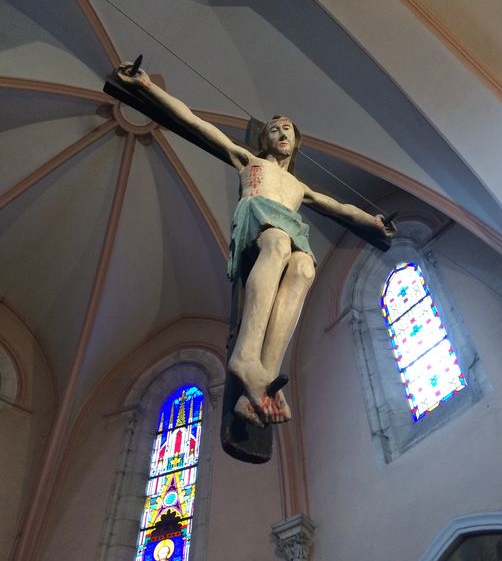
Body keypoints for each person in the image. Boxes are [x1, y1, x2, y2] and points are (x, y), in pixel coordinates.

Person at [117, 64, 396, 428]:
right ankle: (245, 356)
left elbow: (341, 208)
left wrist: (373, 222)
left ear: (296, 140)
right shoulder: (248, 161)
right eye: (274, 129)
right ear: (264, 140)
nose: (282, 132)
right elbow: (193, 122)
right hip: (260, 215)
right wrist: (147, 87)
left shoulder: (300, 188)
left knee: (304, 269)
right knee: (277, 245)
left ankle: (266, 373)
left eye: (287, 129)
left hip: (291, 226)